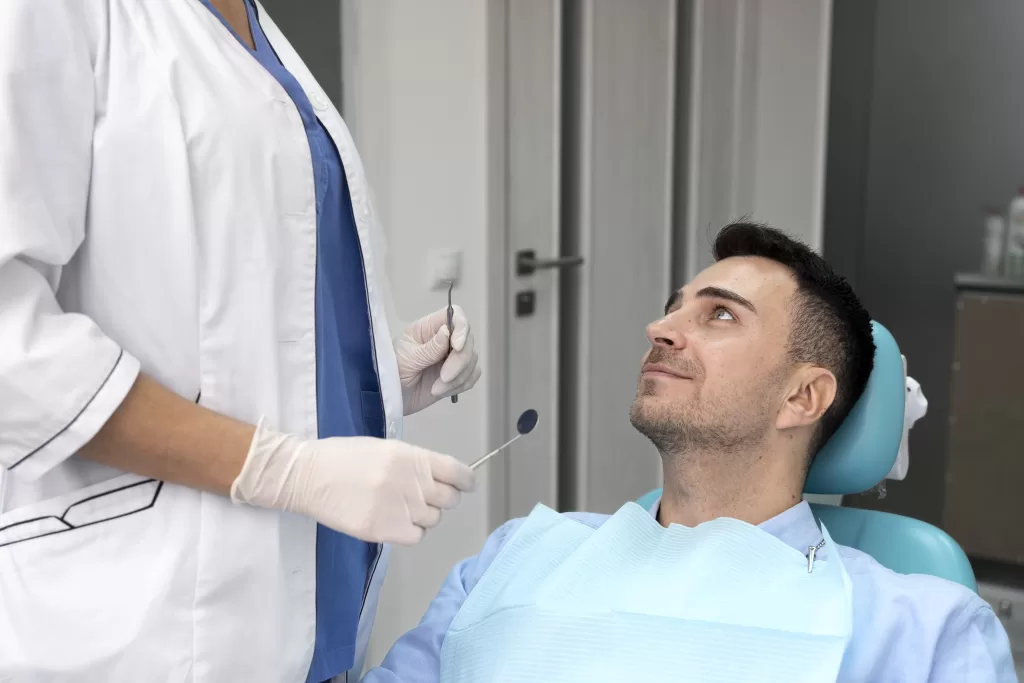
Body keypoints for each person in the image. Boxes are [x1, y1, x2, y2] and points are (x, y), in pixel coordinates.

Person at [0, 1, 480, 682]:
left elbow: (239, 324)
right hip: (138, 627)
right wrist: (282, 468)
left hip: (307, 620)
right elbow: (13, 354)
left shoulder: (259, 33)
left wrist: (377, 379)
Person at [362, 223, 1017, 683]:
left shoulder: (921, 631)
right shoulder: (512, 558)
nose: (660, 329)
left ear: (803, 396)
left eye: (721, 315)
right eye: (672, 309)